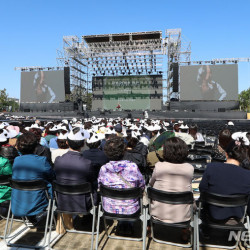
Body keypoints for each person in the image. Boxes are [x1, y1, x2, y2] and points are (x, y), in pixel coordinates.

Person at [199, 132, 250, 224]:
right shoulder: (248, 175)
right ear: (243, 156)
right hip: (237, 220)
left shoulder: (211, 167)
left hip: (210, 218)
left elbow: (202, 190)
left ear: (226, 154)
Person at [98, 136, 145, 234]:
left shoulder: (104, 168)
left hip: (110, 207)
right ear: (124, 151)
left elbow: (100, 186)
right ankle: (127, 225)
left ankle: (122, 224)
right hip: (131, 208)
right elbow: (141, 185)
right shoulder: (132, 166)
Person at [149, 137, 194, 223]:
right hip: (182, 216)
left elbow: (151, 184)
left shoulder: (159, 166)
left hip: (159, 213)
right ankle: (185, 232)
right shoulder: (189, 168)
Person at [11, 132, 55, 218]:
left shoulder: (16, 160)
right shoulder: (42, 160)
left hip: (18, 203)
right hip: (38, 201)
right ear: (35, 147)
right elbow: (52, 176)